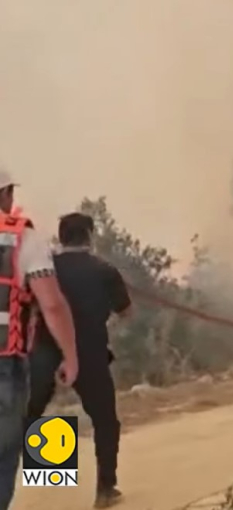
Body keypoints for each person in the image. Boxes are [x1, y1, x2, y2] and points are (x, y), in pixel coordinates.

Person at [27, 212, 131, 509]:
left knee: (29, 414)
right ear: (89, 236)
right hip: (89, 352)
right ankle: (105, 490)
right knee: (104, 420)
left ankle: (50, 480)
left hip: (46, 351)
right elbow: (125, 311)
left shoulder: (44, 268)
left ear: (61, 238)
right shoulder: (105, 270)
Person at [0, 170, 78, 510]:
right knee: (32, 427)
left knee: (32, 424)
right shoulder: (29, 245)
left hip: (32, 352)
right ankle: (57, 489)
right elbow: (54, 305)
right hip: (29, 356)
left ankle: (50, 486)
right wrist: (72, 355)